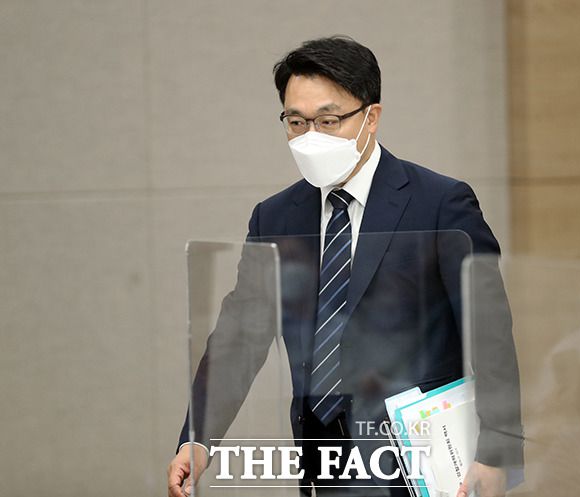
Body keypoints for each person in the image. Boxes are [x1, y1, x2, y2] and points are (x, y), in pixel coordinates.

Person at [168, 36, 523, 497]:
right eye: (296, 122)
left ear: (370, 117)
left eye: (328, 120)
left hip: (422, 462)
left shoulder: (439, 203)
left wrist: (497, 451)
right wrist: (198, 439)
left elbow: (490, 334)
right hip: (323, 463)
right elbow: (240, 337)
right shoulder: (275, 218)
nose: (310, 136)